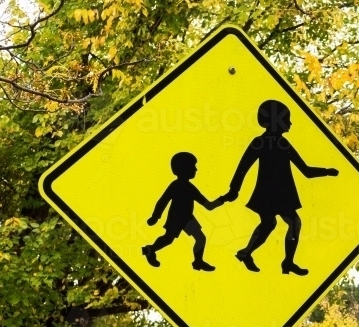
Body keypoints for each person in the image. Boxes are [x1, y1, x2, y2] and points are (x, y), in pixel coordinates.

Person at [219, 100, 338, 275]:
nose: (290, 123)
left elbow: (306, 170)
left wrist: (326, 172)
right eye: (286, 120)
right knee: (289, 222)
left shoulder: (284, 144)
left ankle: (248, 253)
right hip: (271, 192)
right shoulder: (259, 142)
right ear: (275, 121)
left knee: (272, 223)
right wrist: (234, 190)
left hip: (282, 192)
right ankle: (284, 261)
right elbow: (243, 167)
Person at [142, 151, 221, 271]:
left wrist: (223, 199)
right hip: (176, 218)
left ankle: (198, 261)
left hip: (187, 218)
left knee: (200, 238)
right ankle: (150, 249)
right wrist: (155, 217)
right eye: (193, 167)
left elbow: (208, 205)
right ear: (184, 169)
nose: (195, 169)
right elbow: (163, 201)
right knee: (168, 239)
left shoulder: (190, 188)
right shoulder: (176, 185)